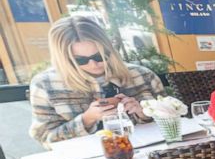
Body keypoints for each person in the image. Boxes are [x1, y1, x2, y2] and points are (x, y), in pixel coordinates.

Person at [29, 16, 162, 148]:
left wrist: (143, 112)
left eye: (100, 56)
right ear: (63, 59)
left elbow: (173, 120)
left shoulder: (142, 75)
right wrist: (86, 120)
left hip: (149, 155)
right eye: (80, 60)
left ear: (109, 49)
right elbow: (46, 140)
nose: (93, 64)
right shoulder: (45, 85)